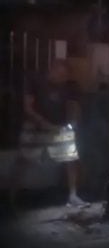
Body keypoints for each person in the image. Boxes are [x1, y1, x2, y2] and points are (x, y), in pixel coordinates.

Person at [8, 60, 88, 208]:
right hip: (35, 126)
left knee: (71, 160)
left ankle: (73, 196)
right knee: (23, 161)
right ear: (52, 70)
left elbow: (75, 107)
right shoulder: (35, 81)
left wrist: (73, 123)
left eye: (65, 76)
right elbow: (28, 108)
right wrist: (44, 124)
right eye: (60, 74)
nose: (62, 78)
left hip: (58, 127)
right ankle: (11, 197)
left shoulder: (69, 86)